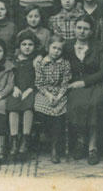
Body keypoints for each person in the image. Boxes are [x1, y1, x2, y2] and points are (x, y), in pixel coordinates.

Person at [63, 15, 103, 165]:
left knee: (95, 103)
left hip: (95, 83)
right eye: (79, 28)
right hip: (74, 84)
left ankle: (92, 146)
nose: (82, 31)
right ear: (74, 29)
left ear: (91, 31)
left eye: (86, 28)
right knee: (77, 104)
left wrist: (84, 82)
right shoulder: (67, 46)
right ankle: (80, 139)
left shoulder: (100, 46)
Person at [34, 35, 72, 164]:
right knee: (42, 107)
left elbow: (65, 83)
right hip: (45, 92)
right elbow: (39, 83)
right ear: (47, 47)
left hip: (60, 93)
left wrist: (59, 96)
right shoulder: (41, 63)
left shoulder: (65, 64)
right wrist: (49, 95)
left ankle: (55, 148)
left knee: (59, 111)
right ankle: (47, 137)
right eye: (54, 48)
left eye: (59, 49)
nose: (56, 51)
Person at [6, 32, 39, 161]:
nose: (27, 47)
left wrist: (30, 89)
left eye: (30, 45)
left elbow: (38, 78)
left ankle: (25, 139)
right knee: (13, 105)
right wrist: (14, 87)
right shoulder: (13, 61)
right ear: (19, 46)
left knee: (28, 106)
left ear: (34, 46)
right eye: (24, 44)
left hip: (30, 90)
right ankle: (14, 140)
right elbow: (9, 77)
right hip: (15, 89)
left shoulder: (35, 61)